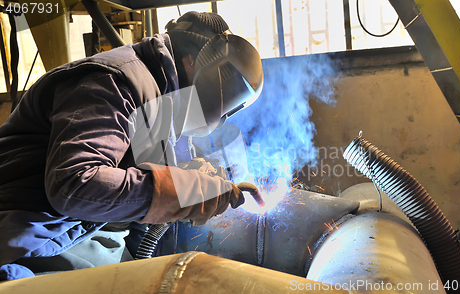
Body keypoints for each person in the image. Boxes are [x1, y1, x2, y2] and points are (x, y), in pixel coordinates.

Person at [0, 11, 263, 280]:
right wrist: (184, 191)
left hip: (73, 234)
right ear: (192, 59)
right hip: (23, 239)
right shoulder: (114, 81)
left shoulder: (163, 97)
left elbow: (127, 183)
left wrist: (184, 176)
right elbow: (74, 184)